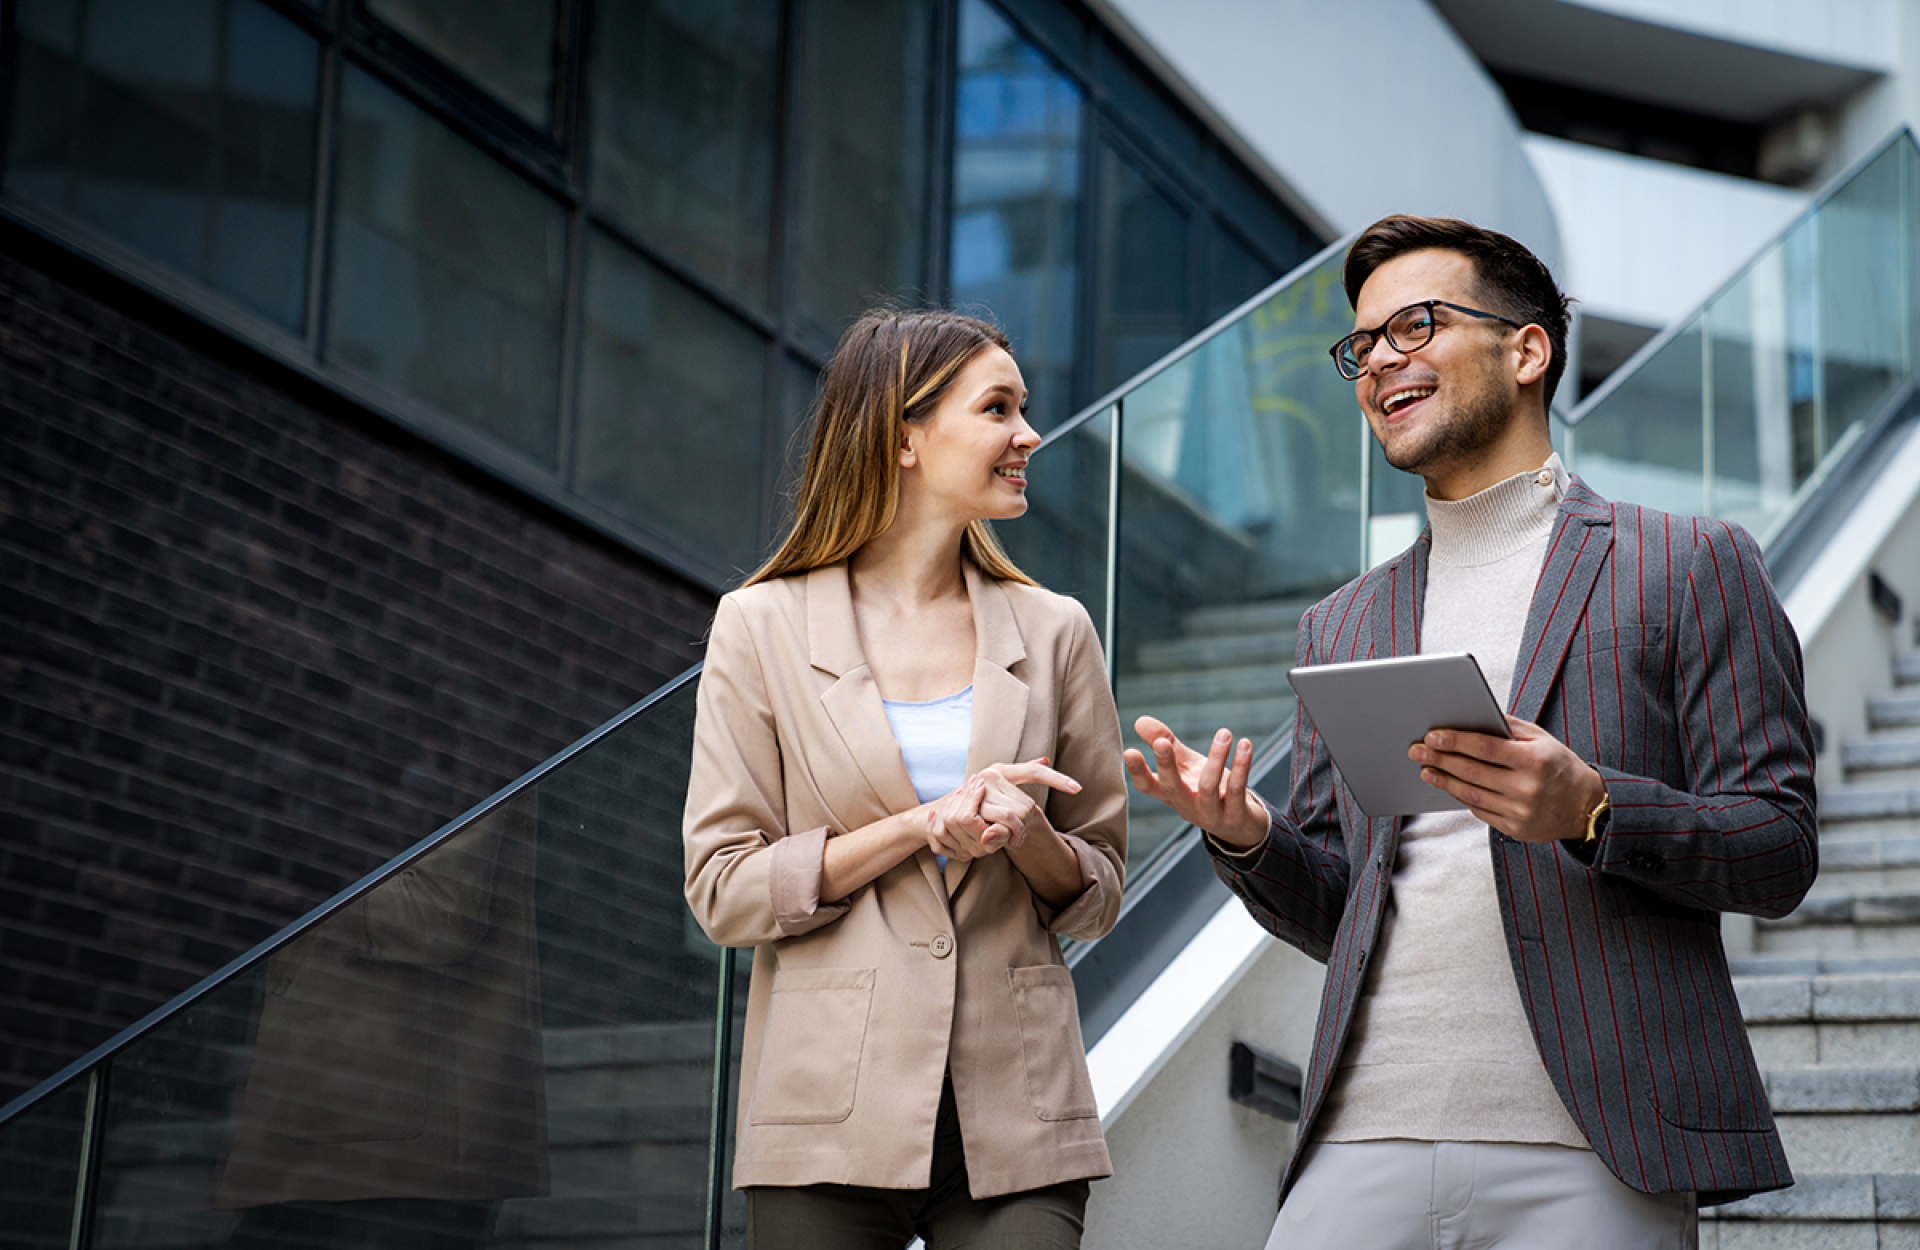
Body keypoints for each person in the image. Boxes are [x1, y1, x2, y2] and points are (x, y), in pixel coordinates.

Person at [1125, 216, 1817, 1249]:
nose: (1379, 363)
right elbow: (1339, 909)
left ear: (1526, 349)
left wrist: (1592, 809)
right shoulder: (1343, 620)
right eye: (1362, 345)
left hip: (1594, 1146)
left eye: (1415, 325)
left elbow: (1778, 848)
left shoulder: (1688, 563)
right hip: (1360, 1137)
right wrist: (1245, 835)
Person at [683, 308, 1128, 1250]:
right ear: (904, 439)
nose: (1029, 435)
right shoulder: (759, 627)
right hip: (824, 1107)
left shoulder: (1057, 631)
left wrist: (1030, 834)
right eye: (998, 408)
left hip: (1017, 1108)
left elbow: (1100, 894)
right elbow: (723, 892)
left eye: (1024, 408)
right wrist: (921, 826)